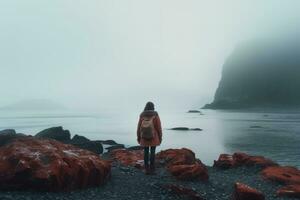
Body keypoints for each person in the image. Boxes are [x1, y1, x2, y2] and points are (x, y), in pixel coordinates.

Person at [137, 102, 162, 174]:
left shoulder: (142, 115)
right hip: (154, 137)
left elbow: (139, 127)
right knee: (153, 152)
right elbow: (158, 127)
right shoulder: (155, 114)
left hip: (144, 137)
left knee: (146, 152)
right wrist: (160, 137)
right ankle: (152, 169)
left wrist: (138, 137)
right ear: (153, 107)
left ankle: (146, 170)